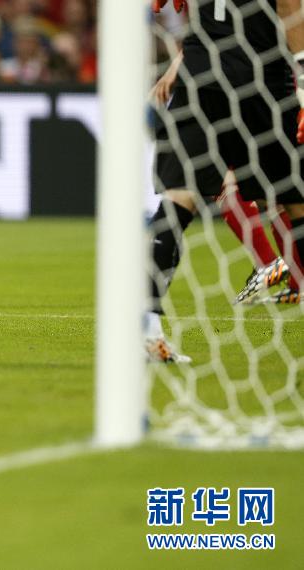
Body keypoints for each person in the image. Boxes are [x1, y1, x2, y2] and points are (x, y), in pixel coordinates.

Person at [147, 0, 304, 363]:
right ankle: (280, 269)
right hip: (261, 81)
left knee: (178, 200)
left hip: (201, 78)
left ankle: (146, 325)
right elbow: (291, 14)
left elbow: (210, 20)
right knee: (293, 201)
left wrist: (179, 61)